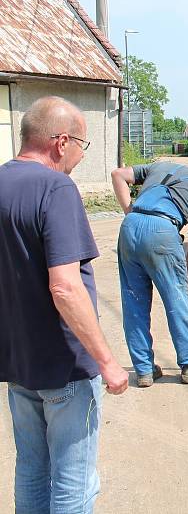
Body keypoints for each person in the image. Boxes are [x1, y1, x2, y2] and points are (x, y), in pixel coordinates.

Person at [0, 96, 129, 512]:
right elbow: (65, 288)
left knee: (32, 471)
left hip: (19, 366)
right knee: (73, 481)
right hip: (66, 368)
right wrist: (106, 361)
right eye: (81, 145)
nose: (79, 156)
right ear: (60, 142)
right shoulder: (55, 187)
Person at [111, 155, 188, 387]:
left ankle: (144, 371)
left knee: (134, 301)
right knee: (178, 299)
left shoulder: (160, 165)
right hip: (162, 231)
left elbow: (118, 175)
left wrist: (129, 211)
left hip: (130, 227)